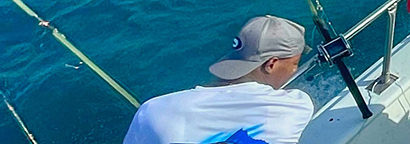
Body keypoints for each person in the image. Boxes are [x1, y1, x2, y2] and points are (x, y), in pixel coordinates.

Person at [122, 15, 314, 144]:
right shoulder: (294, 107)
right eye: (295, 63)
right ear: (271, 64)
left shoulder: (151, 110)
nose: (294, 71)